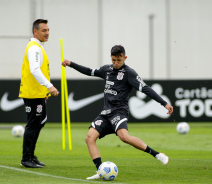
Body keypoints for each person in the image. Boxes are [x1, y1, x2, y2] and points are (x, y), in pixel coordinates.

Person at [61, 45, 173, 179]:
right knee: (89, 138)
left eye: (119, 60)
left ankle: (158, 155)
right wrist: (71, 64)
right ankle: (100, 171)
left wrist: (164, 103)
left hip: (119, 111)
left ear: (125, 58)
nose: (116, 63)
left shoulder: (129, 73)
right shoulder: (106, 70)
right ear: (111, 58)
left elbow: (146, 89)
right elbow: (89, 71)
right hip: (105, 112)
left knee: (124, 137)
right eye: (114, 60)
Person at [19, 19, 59, 168]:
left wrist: (45, 91)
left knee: (40, 122)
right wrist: (49, 86)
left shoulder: (38, 47)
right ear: (35, 32)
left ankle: (31, 156)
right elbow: (35, 69)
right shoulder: (34, 48)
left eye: (48, 30)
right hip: (32, 94)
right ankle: (26, 158)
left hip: (38, 93)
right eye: (44, 30)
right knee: (33, 124)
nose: (47, 33)